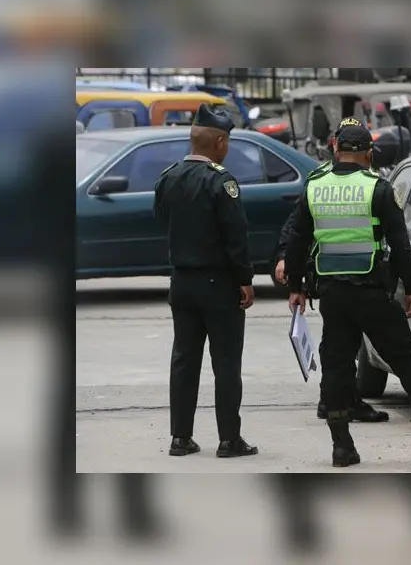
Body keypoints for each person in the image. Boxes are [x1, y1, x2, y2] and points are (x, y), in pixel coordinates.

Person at [286, 124, 411, 467]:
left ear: (335, 149)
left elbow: (297, 241)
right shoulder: (378, 189)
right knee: (405, 357)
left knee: (336, 366)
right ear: (369, 153)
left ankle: (341, 446)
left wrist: (295, 287)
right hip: (371, 292)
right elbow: (401, 246)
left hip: (333, 295)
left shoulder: (315, 187)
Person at [153, 103, 258, 459]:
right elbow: (236, 236)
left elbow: (161, 219)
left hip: (181, 282)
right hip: (219, 285)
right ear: (220, 142)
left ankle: (180, 438)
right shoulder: (221, 181)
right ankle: (229, 440)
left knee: (184, 360)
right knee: (226, 363)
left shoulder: (168, 177)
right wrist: (245, 279)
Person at [275, 117, 389, 424]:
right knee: (338, 344)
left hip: (355, 271)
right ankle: (334, 400)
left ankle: (345, 399)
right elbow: (296, 227)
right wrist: (286, 259)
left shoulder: (371, 177)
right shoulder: (320, 179)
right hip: (331, 271)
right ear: (336, 145)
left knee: (344, 343)